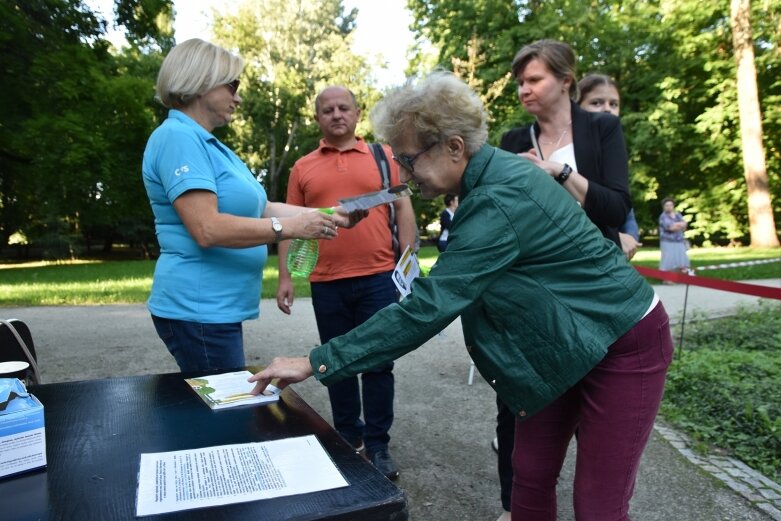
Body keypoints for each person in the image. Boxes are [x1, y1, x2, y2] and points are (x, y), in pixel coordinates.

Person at [250, 71, 673, 521]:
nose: (405, 173)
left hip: (622, 341)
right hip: (567, 343)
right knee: (528, 475)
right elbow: (414, 213)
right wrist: (356, 210)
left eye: (409, 160)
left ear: (454, 147)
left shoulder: (497, 200)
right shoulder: (482, 178)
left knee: (598, 506)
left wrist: (315, 361)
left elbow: (428, 307)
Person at [142, 39, 359, 373]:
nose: (238, 96)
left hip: (214, 309)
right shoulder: (178, 137)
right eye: (233, 85)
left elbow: (263, 207)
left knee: (222, 409)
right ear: (201, 82)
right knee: (225, 415)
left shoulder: (209, 145)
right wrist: (292, 228)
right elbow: (207, 228)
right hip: (198, 308)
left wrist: (331, 214)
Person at [495, 40, 634, 520]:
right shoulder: (513, 142)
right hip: (534, 292)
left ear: (566, 80)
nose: (524, 90)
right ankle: (515, 507)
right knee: (522, 408)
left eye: (534, 80)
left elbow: (617, 208)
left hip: (596, 289)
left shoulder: (601, 128)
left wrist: (559, 172)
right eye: (520, 82)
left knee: (594, 412)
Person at [275, 85, 417, 480]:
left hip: (377, 277)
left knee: (378, 363)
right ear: (318, 118)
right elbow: (287, 224)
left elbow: (402, 205)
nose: (336, 114)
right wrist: (285, 276)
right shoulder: (303, 167)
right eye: (328, 110)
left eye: (343, 108)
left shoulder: (384, 155)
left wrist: (408, 264)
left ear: (357, 113)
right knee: (335, 365)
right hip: (327, 281)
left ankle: (377, 444)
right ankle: (347, 440)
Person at [577, 73, 642, 260]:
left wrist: (630, 235)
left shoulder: (612, 150)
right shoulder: (564, 150)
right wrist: (613, 236)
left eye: (614, 104)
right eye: (596, 103)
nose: (607, 110)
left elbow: (622, 203)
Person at [659, 197, 690, 275]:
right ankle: (667, 278)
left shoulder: (677, 215)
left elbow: (685, 225)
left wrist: (677, 225)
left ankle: (679, 277)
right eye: (667, 205)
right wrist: (680, 224)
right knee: (668, 260)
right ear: (663, 206)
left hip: (679, 241)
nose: (669, 207)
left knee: (681, 259)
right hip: (667, 241)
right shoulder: (663, 216)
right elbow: (671, 228)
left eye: (671, 205)